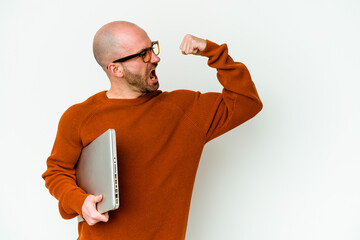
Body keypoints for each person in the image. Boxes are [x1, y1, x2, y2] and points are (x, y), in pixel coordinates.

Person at [42, 20, 263, 240]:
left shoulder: (185, 111)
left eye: (153, 48)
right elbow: (56, 171)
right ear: (116, 69)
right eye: (143, 54)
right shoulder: (79, 117)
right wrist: (79, 202)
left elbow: (246, 102)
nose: (156, 58)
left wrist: (212, 51)